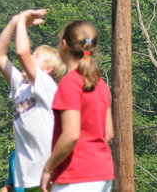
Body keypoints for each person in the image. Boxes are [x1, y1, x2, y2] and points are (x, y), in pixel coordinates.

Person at [0, 9, 66, 191]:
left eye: (36, 56)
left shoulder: (45, 84)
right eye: (32, 54)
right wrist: (14, 21)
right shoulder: (21, 85)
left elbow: (22, 52)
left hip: (50, 175)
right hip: (28, 179)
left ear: (48, 69)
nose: (31, 56)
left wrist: (23, 20)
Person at [40, 20, 113, 192]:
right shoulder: (100, 84)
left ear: (64, 44)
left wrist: (48, 168)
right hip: (102, 174)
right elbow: (108, 132)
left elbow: (71, 135)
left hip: (75, 177)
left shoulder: (70, 83)